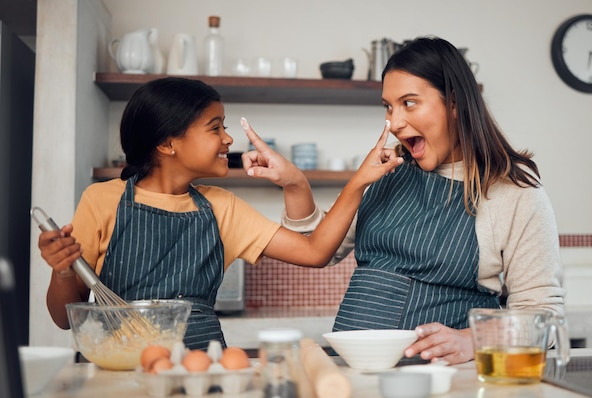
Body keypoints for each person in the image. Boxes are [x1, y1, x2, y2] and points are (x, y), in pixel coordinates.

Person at [242, 36, 565, 365]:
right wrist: (294, 183)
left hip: (442, 385)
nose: (394, 123)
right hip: (355, 376)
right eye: (388, 106)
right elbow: (317, 246)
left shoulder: (512, 190)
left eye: (409, 103)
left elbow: (545, 319)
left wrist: (474, 339)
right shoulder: (390, 170)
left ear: (454, 103)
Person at [36, 77, 403, 350]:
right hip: (115, 374)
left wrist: (343, 183)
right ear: (167, 143)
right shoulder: (102, 200)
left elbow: (316, 251)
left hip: (203, 374)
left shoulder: (221, 207)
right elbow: (64, 318)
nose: (228, 139)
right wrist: (63, 268)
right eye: (216, 128)